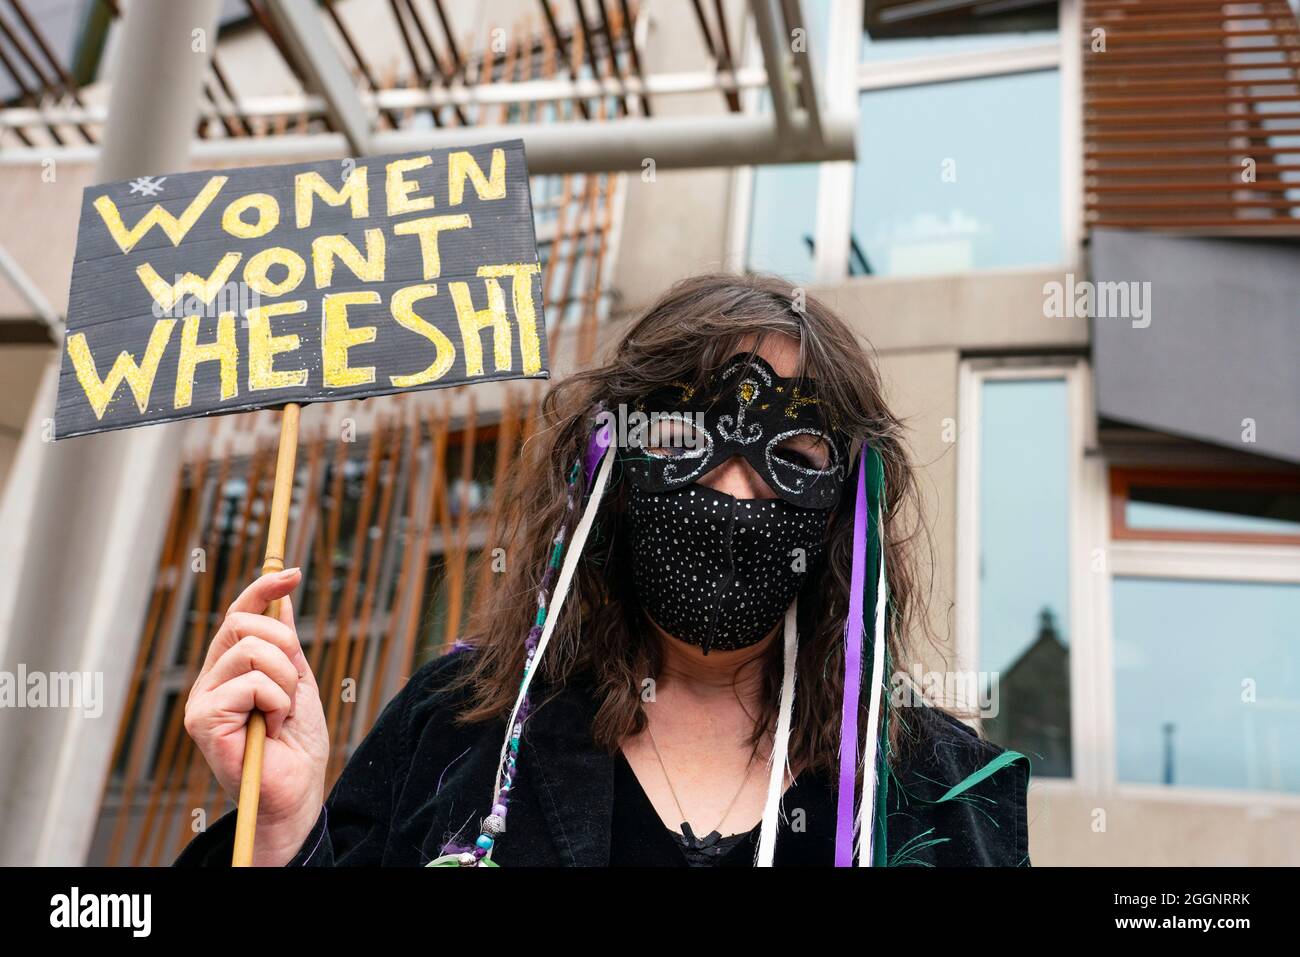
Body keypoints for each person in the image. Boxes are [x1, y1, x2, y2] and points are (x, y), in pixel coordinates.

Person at [177, 273, 1030, 868]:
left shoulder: (942, 791)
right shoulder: (456, 727)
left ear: (846, 500)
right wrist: (280, 834)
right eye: (685, 442)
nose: (734, 491)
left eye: (792, 453)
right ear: (611, 468)